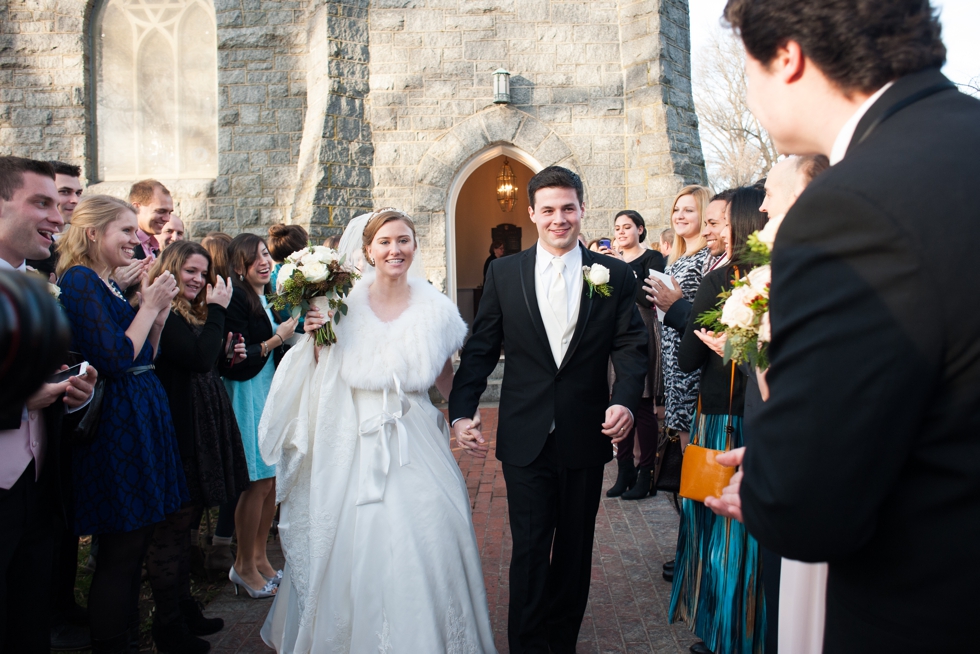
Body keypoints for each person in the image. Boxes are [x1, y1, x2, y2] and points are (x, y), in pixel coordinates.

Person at [705, 1, 980, 652]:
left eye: (748, 68)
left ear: (788, 58)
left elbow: (807, 512)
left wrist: (773, 477)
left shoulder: (850, 208)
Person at [258, 209, 496, 653]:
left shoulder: (436, 308)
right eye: (385, 242)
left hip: (416, 436)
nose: (395, 250)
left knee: (433, 532)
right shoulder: (338, 305)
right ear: (367, 250)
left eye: (403, 240)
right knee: (356, 542)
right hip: (353, 439)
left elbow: (445, 377)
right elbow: (315, 377)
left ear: (414, 247)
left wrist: (463, 417)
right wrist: (313, 340)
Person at [450, 167, 648, 654]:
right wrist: (461, 411)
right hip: (525, 435)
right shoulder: (504, 272)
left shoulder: (614, 275)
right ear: (533, 213)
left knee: (575, 552)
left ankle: (562, 644)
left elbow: (630, 345)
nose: (559, 218)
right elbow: (481, 347)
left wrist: (623, 399)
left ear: (582, 209)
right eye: (549, 209)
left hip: (585, 432)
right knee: (532, 549)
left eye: (568, 208)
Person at [55, 194, 187, 654]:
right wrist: (147, 306)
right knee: (121, 547)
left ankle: (130, 637)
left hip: (140, 414)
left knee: (139, 540)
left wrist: (158, 312)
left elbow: (143, 354)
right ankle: (112, 644)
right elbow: (112, 359)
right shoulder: (79, 282)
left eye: (136, 230)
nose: (136, 239)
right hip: (115, 427)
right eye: (126, 231)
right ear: (93, 234)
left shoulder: (107, 285)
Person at [0, 156, 97, 654]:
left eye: (57, 204)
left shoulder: (35, 285)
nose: (59, 217)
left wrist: (68, 391)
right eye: (40, 202)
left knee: (28, 621)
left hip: (38, 486)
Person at [668, 185, 768, 654]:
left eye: (716, 221)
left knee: (715, 532)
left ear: (740, 224)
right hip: (766, 422)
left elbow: (688, 358)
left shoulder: (719, 280)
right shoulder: (775, 277)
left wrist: (676, 312)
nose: (709, 229)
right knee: (753, 538)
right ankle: (752, 629)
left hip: (721, 423)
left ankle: (719, 632)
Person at [150, 241, 252, 651]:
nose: (197, 280)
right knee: (171, 531)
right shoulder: (164, 310)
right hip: (179, 428)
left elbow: (207, 359)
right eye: (190, 271)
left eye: (202, 273)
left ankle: (184, 608)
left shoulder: (192, 312)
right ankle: (167, 626)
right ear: (171, 269)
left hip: (201, 422)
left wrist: (228, 353)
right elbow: (193, 358)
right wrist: (219, 313)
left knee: (188, 523)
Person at [220, 234, 297, 599]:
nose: (264, 263)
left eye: (266, 255)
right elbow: (236, 358)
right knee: (257, 481)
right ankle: (243, 565)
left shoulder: (264, 295)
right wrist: (277, 340)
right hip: (247, 392)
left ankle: (261, 558)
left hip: (266, 389)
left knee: (271, 481)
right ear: (238, 266)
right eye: (255, 259)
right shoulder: (236, 298)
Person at [605, 210, 666, 499]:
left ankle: (646, 474)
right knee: (618, 399)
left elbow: (649, 298)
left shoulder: (652, 259)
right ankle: (624, 469)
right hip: (613, 334)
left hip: (642, 330)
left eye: (627, 226)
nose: (620, 232)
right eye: (617, 227)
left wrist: (623, 270)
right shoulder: (607, 261)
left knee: (641, 403)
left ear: (640, 229)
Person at [658, 185, 712, 452]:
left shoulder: (707, 258)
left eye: (688, 210)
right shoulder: (675, 259)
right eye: (676, 210)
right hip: (672, 357)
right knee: (681, 434)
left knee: (696, 441)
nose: (679, 215)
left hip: (693, 358)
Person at [25, 161, 83, 278]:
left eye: (78, 193)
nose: (75, 200)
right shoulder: (30, 250)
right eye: (64, 192)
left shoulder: (79, 245)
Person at [129, 179, 174, 261]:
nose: (167, 219)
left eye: (169, 213)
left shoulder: (154, 246)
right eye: (161, 211)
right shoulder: (124, 245)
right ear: (136, 208)